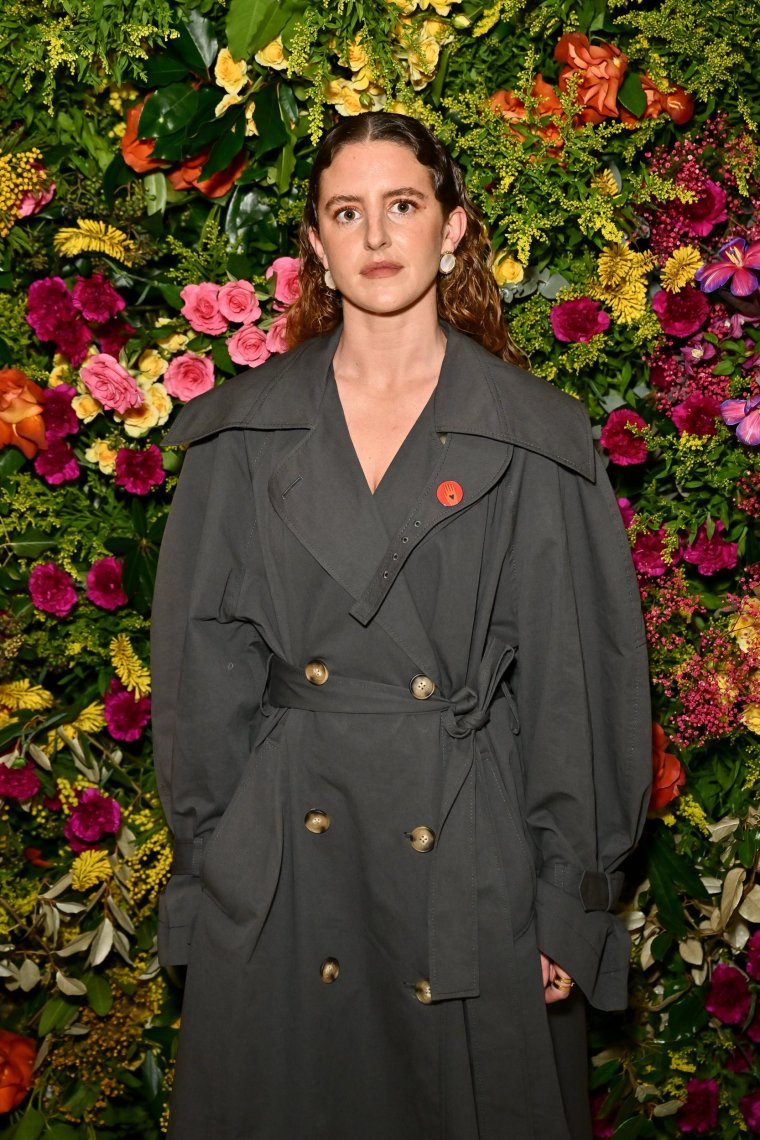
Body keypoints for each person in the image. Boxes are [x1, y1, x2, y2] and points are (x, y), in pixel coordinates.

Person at [151, 111, 651, 1140]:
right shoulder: (242, 436)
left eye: (403, 206)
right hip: (286, 874)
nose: (377, 236)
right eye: (347, 212)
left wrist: (569, 897)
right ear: (319, 250)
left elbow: (579, 684)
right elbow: (200, 683)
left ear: (452, 228)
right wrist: (213, 878)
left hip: (471, 861)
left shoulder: (536, 438)